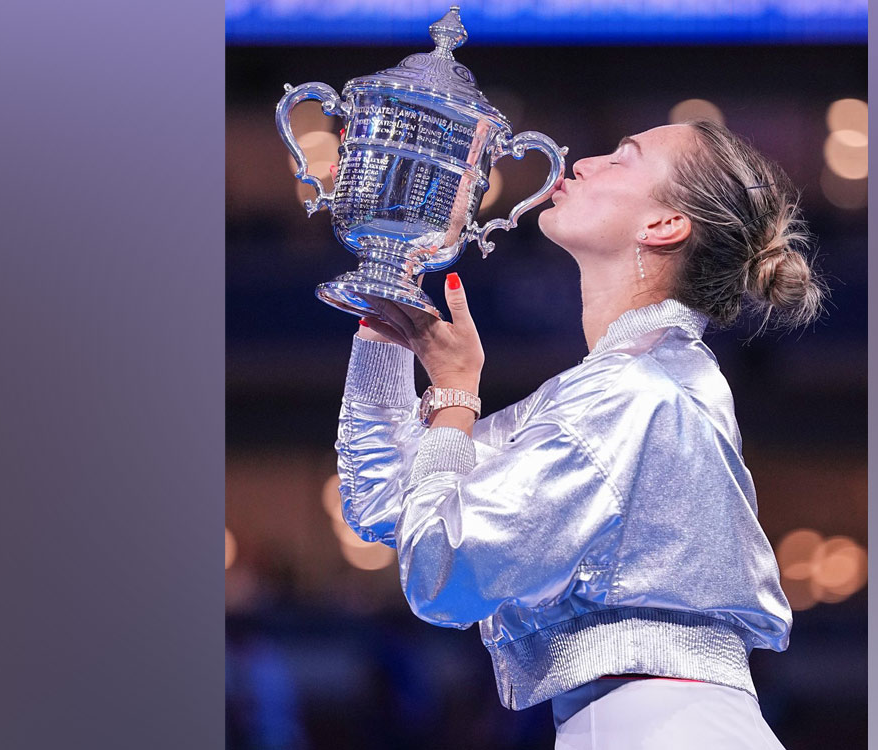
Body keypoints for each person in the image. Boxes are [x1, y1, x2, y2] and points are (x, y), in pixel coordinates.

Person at [335, 118, 827, 749]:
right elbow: (388, 504)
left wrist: (456, 393)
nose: (586, 160)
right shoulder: (622, 388)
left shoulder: (634, 395)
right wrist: (392, 277)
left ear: (664, 225)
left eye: (625, 156)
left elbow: (443, 570)